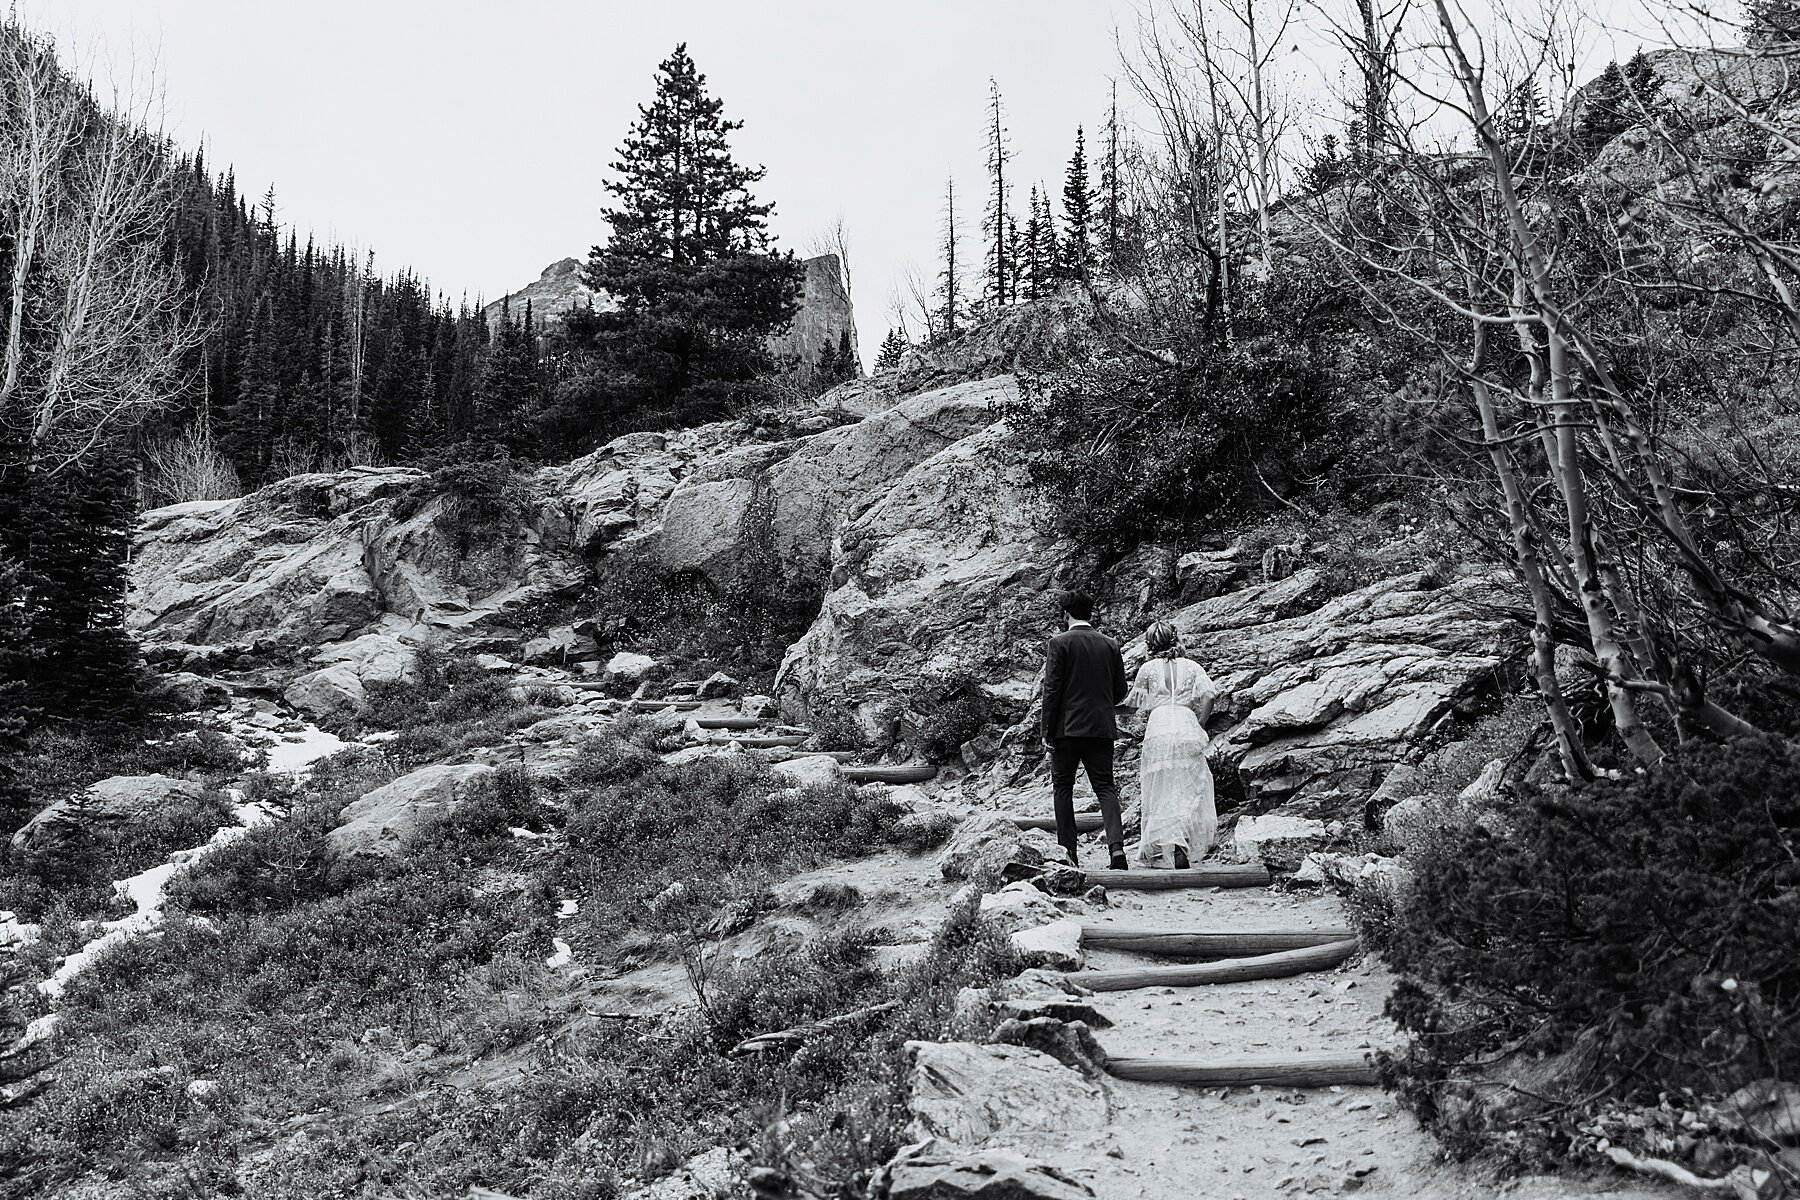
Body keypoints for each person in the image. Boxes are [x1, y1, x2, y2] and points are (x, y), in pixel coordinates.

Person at [1040, 590, 1129, 871]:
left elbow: (1052, 690)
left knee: (1063, 787)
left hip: (1067, 729)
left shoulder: (1059, 643)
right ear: (1091, 613)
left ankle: (1068, 852)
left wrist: (1046, 729)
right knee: (1105, 787)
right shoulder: (1110, 644)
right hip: (1102, 727)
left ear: (1065, 613)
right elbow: (1120, 691)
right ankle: (1117, 850)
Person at [1127, 620, 1218, 869]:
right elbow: (1209, 695)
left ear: (1150, 644)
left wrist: (1105, 707)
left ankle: (1164, 844)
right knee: (1186, 786)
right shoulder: (1193, 666)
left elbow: (1132, 706)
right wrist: (1200, 722)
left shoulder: (1147, 669)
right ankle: (1182, 844)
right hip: (1186, 723)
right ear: (1176, 640)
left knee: (1162, 787)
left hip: (1160, 726)